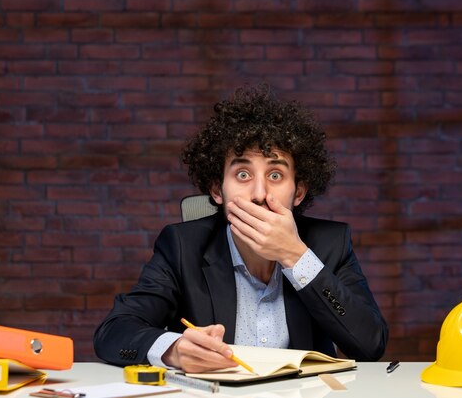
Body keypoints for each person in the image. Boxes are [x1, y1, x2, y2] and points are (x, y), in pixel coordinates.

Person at [93, 84, 388, 372]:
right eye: (243, 173)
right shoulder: (182, 246)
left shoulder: (330, 244)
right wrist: (174, 350)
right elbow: (114, 330)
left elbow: (369, 344)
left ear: (297, 193)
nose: (259, 193)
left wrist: (296, 256)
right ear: (217, 191)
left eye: (275, 174)